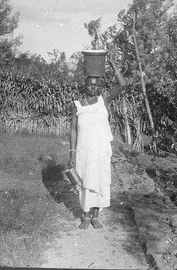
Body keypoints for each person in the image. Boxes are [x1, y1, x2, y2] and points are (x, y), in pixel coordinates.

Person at [68, 53, 127, 229]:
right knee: (85, 180)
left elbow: (122, 85)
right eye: (89, 85)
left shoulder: (104, 101)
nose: (92, 88)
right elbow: (72, 130)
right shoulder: (77, 105)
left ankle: (95, 216)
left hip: (100, 151)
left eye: (96, 85)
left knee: (99, 180)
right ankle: (85, 216)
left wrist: (113, 66)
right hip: (84, 151)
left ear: (100, 87)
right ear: (84, 86)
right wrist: (72, 152)